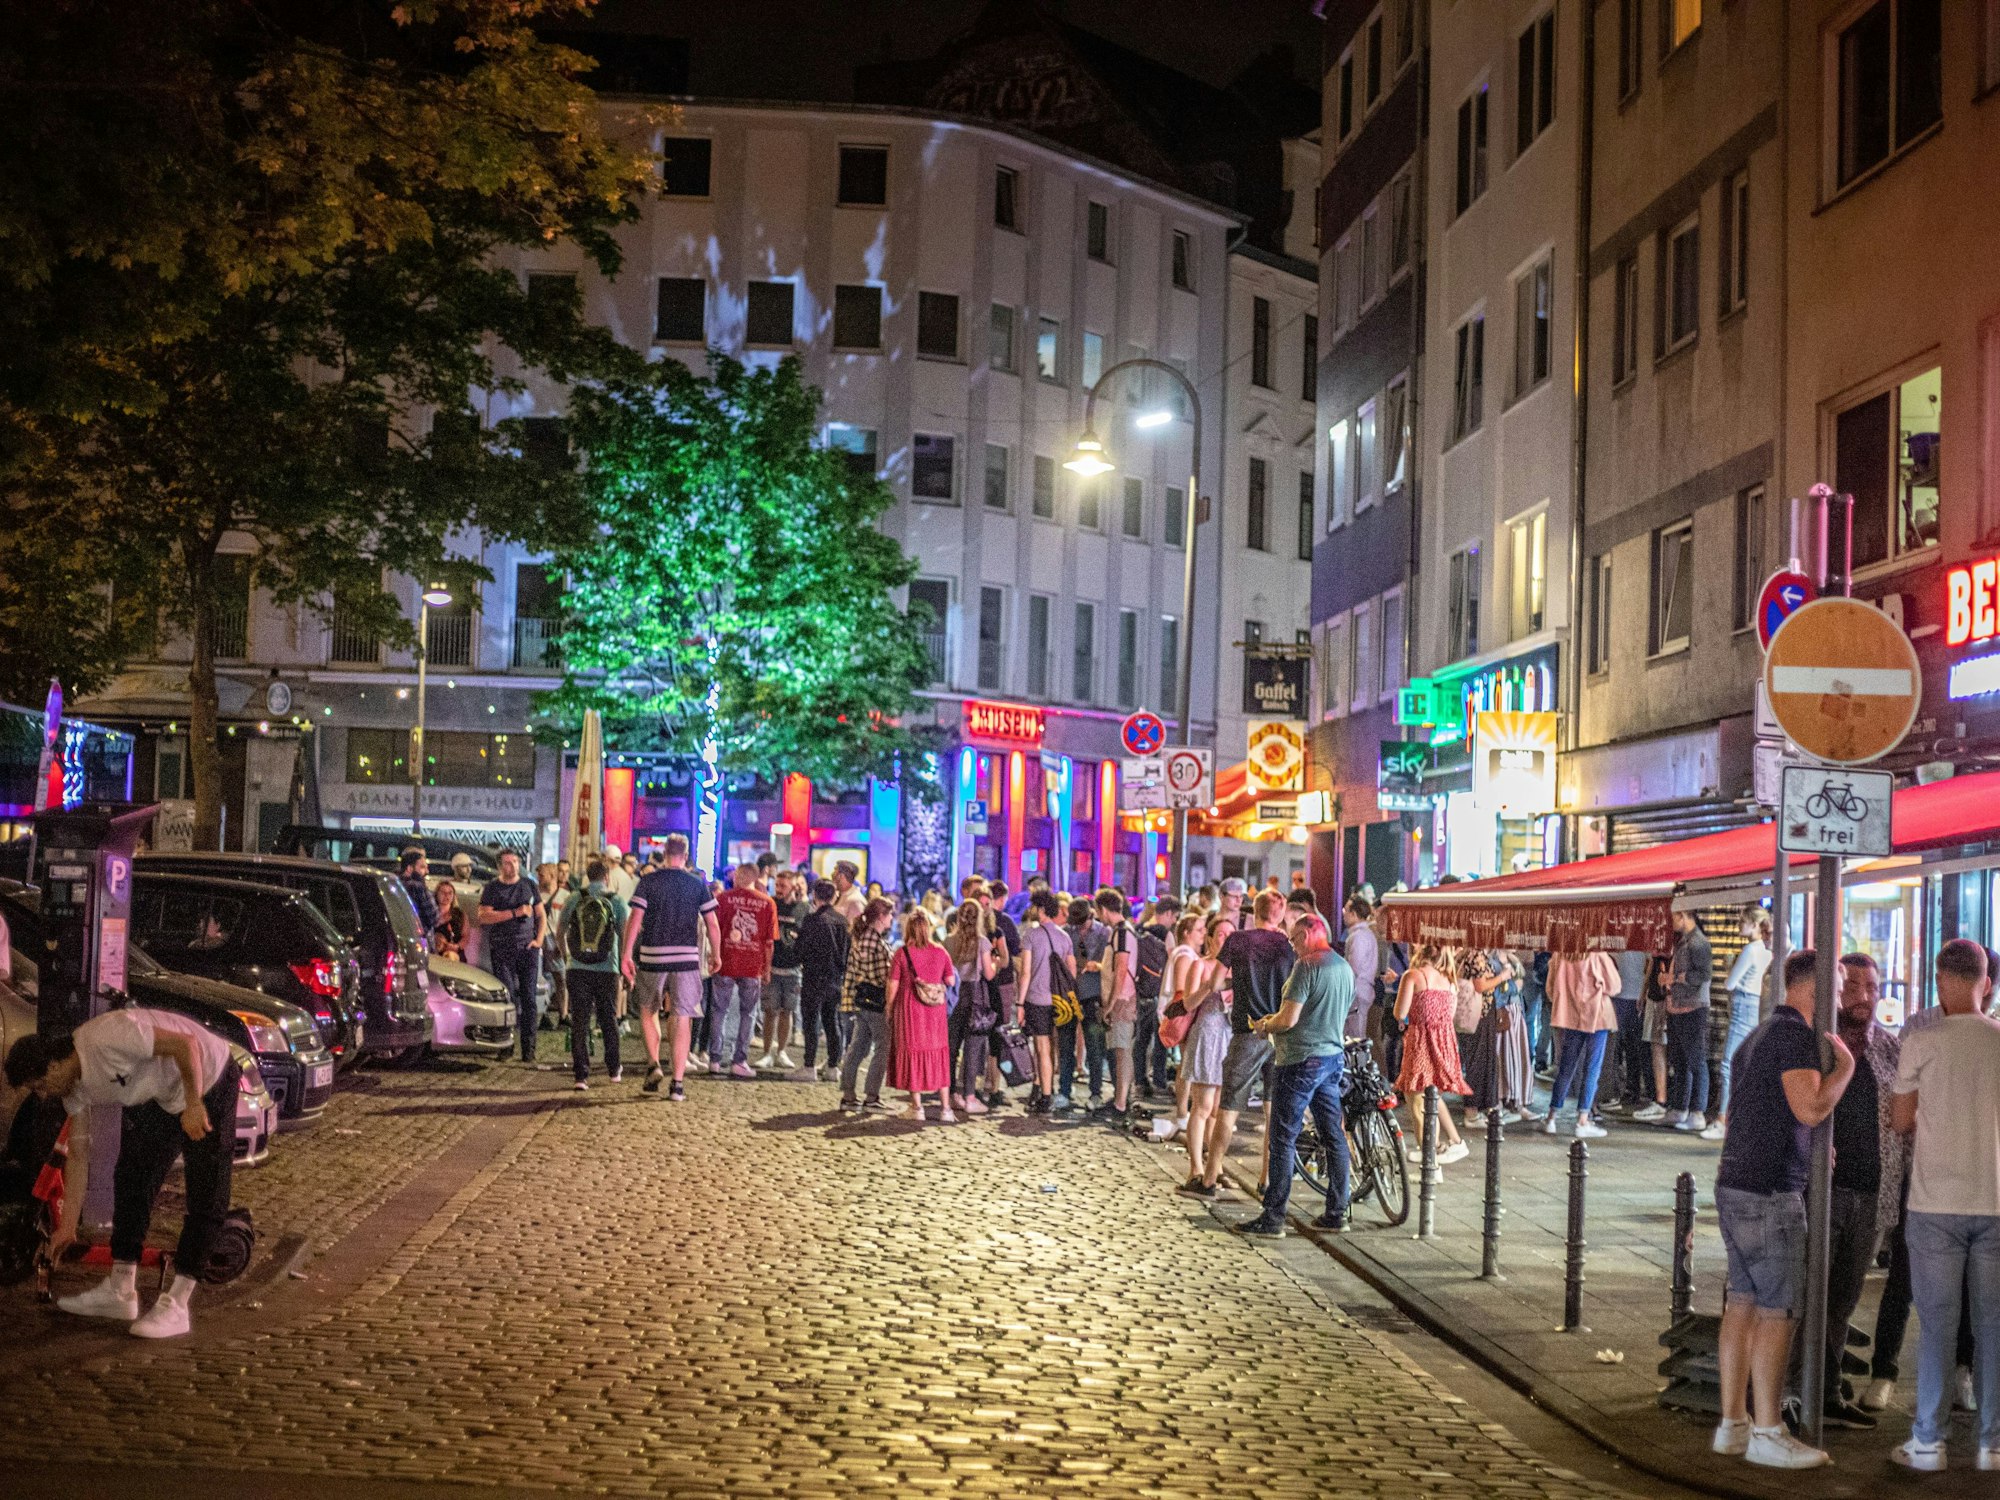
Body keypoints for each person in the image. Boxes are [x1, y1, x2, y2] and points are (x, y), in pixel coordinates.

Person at [8, 1008, 240, 1338]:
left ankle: (178, 1302)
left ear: (54, 1064)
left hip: (209, 1078)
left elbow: (185, 1044)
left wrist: (193, 1103)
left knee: (207, 1189)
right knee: (132, 1176)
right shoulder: (74, 1087)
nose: (44, 1094)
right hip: (162, 1095)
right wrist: (68, 1227)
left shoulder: (109, 1037)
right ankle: (121, 1289)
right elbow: (78, 1155)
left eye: (41, 1084)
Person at [1710, 947, 1853, 1471]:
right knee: (1778, 1310)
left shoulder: (1757, 1035)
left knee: (1742, 1303)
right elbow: (1810, 1106)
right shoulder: (1794, 1037)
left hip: (1737, 1184)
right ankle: (1769, 1429)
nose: (1841, 997)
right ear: (1814, 988)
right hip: (1770, 1193)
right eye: (1837, 986)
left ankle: (1733, 1424)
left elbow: (1745, 1113)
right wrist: (1846, 1069)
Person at [1888, 939, 2000, 1471]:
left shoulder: (1921, 1040)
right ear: (1986, 983)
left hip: (1935, 1203)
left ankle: (1928, 1441)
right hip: (1996, 1201)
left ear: (1940, 981)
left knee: (1937, 1326)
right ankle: (1992, 1443)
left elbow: (1900, 1120)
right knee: (1994, 1326)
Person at [1783, 953, 1904, 1431]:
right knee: (1808, 1293)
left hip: (1875, 1192)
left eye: (1872, 987)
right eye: (1852, 986)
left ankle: (1828, 1390)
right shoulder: (1815, 1047)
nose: (1863, 997)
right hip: (1822, 1190)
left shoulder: (1890, 1050)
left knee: (1843, 1301)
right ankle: (1795, 1392)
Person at [1235, 912, 1354, 1238]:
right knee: (1334, 1136)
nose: (1292, 945)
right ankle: (1337, 1212)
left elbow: (1288, 1019)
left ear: (1312, 932)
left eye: (1295, 938)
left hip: (1300, 1060)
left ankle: (1273, 1218)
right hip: (1331, 1058)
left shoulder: (1308, 966)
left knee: (1283, 1139)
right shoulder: (1343, 967)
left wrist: (1265, 1025)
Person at [1199, 891, 1295, 1194]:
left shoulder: (1238, 940)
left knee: (1229, 1107)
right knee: (1272, 1111)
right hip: (1280, 1034)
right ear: (1279, 915)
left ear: (1255, 912)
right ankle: (1266, 1180)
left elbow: (1214, 982)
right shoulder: (1287, 945)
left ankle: (1209, 1178)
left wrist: (1236, 980)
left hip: (1248, 1030)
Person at [620, 832, 720, 1102]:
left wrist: (627, 954)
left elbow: (636, 918)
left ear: (664, 853)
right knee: (682, 1015)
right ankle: (677, 1083)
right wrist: (716, 953)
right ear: (686, 856)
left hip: (652, 955)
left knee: (648, 1010)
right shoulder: (697, 883)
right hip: (687, 958)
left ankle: (653, 1063)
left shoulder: (649, 881)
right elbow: (712, 923)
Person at [1392, 945, 1471, 1164]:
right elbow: (1450, 1014)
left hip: (1420, 1041)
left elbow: (1400, 1012)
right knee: (1431, 1098)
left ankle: (1430, 1158)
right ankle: (1436, 1149)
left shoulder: (1413, 976)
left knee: (1416, 1099)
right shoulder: (1450, 980)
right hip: (1444, 1041)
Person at [1170, 914, 1229, 1193]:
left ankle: (1215, 1166)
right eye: (1221, 935)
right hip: (1207, 1035)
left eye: (1231, 936)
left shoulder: (1237, 969)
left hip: (1229, 1038)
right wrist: (1209, 985)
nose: (1226, 940)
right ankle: (1196, 1167)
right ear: (1209, 939)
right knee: (1202, 1106)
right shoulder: (1200, 965)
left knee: (1220, 1108)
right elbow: (1188, 1002)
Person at [1704, 912, 1774, 1140]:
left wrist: (1729, 966)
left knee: (1728, 1063)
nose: (1738, 927)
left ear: (1754, 925)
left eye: (1743, 922)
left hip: (1743, 1001)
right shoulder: (1766, 950)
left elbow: (1730, 982)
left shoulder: (1751, 950)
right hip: (1757, 1003)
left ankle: (1722, 1119)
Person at [558, 858, 627, 1089]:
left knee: (580, 1020)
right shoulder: (616, 901)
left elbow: (560, 929)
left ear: (588, 876)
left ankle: (581, 1075)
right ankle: (614, 1069)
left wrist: (566, 953)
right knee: (608, 1018)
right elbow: (624, 935)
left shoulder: (575, 898)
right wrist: (624, 963)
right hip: (608, 968)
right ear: (606, 876)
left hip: (577, 967)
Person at [704, 864, 775, 1078]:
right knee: (749, 1013)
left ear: (738, 876)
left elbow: (712, 929)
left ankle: (715, 1059)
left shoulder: (723, 899)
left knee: (719, 1011)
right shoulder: (767, 903)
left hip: (726, 961)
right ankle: (739, 1060)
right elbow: (769, 941)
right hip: (752, 964)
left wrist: (713, 955)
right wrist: (767, 968)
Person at [888, 907, 957, 1121]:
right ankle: (946, 1109)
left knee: (912, 1053)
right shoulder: (940, 951)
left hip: (910, 1010)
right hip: (935, 1013)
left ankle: (917, 1108)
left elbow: (893, 985)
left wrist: (889, 1008)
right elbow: (950, 980)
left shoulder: (902, 953)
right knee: (939, 1055)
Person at [478, 849, 546, 1063]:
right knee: (507, 999)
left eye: (515, 861)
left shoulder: (528, 885)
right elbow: (484, 916)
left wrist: (539, 940)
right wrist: (514, 913)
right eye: (508, 863)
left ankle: (529, 1049)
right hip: (503, 949)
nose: (513, 866)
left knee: (529, 999)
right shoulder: (492, 889)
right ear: (500, 867)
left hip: (528, 949)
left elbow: (540, 914)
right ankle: (506, 1045)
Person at [1542, 950, 1618, 1138]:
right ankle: (1583, 1120)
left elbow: (1550, 990)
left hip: (1571, 1017)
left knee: (1566, 1067)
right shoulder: (1598, 955)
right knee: (1592, 1067)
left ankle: (1551, 1117)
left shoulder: (1559, 955)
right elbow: (1615, 986)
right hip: (1596, 1017)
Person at [1016, 890, 1074, 1115]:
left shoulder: (1031, 935)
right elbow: (1071, 971)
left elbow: (1026, 972)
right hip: (1059, 1000)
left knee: (1042, 1047)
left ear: (1041, 910)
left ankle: (1046, 1096)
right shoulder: (1064, 937)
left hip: (1037, 998)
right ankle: (1042, 1088)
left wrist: (1020, 1004)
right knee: (1051, 1047)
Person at [837, 897, 895, 1109]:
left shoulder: (859, 938)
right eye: (889, 914)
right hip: (877, 1001)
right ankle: (872, 1095)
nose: (891, 919)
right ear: (881, 916)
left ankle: (848, 1093)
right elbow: (883, 977)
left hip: (861, 1000)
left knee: (858, 1047)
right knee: (882, 1047)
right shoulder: (876, 943)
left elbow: (852, 972)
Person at [790, 878, 849, 1081]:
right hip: (835, 978)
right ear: (834, 896)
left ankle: (809, 1065)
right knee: (832, 1022)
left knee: (811, 1022)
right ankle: (833, 1066)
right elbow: (847, 953)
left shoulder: (811, 921)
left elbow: (800, 951)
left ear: (815, 895)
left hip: (813, 977)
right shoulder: (842, 922)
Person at [943, 898, 999, 1116]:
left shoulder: (949, 941)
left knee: (951, 1046)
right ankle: (969, 1096)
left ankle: (949, 1094)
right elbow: (988, 973)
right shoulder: (983, 942)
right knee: (973, 1048)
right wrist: (995, 962)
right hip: (975, 995)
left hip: (954, 995)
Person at [1662, 913, 1713, 1131]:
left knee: (1696, 1060)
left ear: (1684, 916)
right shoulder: (1683, 942)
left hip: (1692, 1006)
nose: (1672, 922)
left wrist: (1680, 978)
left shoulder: (1699, 943)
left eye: (1675, 917)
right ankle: (1680, 1108)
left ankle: (1697, 1112)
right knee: (1680, 1060)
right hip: (1677, 1005)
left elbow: (1705, 974)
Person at [1096, 889, 1139, 1120]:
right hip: (1123, 998)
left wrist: (1110, 1004)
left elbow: (1121, 969)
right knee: (1122, 1051)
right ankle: (1121, 1098)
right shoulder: (1124, 931)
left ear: (1103, 909)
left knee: (1122, 1052)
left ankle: (1121, 1103)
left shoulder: (1121, 934)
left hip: (1123, 999)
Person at [761, 868, 807, 1072]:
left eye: (783, 886)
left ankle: (781, 1051)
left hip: (793, 969)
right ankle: (767, 1052)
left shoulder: (803, 909)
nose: (778, 889)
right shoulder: (770, 904)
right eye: (776, 885)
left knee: (787, 1011)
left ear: (793, 887)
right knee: (770, 1011)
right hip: (773, 966)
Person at [1604, 948, 1650, 1115]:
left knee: (1633, 1048)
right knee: (1614, 1049)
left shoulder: (1642, 936)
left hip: (1634, 997)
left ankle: (1632, 1089)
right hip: (1617, 997)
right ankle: (1614, 1090)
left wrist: (1644, 993)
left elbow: (1649, 964)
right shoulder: (1613, 938)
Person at [1341, 895, 1380, 1042]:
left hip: (1357, 992)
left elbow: (1354, 968)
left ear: (1354, 914)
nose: (1344, 914)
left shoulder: (1359, 937)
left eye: (1346, 910)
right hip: (1363, 991)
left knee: (1354, 1037)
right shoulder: (1365, 934)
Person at [538, 861, 569, 1029]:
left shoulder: (564, 896)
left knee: (561, 978)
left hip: (556, 942)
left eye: (541, 875)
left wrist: (565, 945)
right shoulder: (536, 895)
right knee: (543, 979)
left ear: (551, 876)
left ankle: (563, 1015)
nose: (539, 878)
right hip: (541, 940)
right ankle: (543, 1014)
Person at [448, 852, 483, 968]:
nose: (468, 870)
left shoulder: (477, 888)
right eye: (464, 866)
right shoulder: (448, 887)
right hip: (456, 932)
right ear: (455, 868)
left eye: (469, 866)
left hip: (475, 931)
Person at [399, 847, 438, 941]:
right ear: (409, 868)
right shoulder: (418, 887)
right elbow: (433, 917)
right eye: (422, 867)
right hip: (419, 938)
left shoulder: (394, 883)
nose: (427, 871)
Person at [431, 880, 468, 960]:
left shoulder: (460, 915)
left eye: (450, 893)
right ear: (436, 894)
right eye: (443, 892)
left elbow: (465, 936)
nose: (446, 895)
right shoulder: (430, 913)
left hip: (454, 954)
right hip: (434, 952)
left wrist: (457, 946)